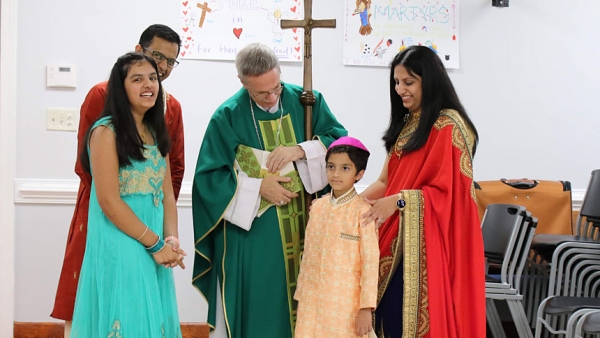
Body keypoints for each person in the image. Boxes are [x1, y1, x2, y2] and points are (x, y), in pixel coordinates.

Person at [191, 42, 347, 338]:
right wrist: (257, 187)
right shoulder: (228, 115)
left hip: (305, 225)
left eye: (276, 86)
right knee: (260, 310)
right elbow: (209, 179)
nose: (272, 96)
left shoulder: (306, 102)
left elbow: (339, 142)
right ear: (242, 83)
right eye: (261, 92)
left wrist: (301, 149)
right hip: (253, 236)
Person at [51, 24, 185, 335]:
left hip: (154, 234)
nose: (153, 79)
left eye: (155, 76)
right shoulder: (106, 127)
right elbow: (105, 192)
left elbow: (168, 188)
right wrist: (151, 240)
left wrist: (171, 238)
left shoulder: (158, 127)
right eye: (138, 78)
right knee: (124, 314)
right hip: (120, 230)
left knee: (153, 315)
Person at [360, 45, 485, 338]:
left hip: (428, 245)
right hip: (394, 236)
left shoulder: (450, 126)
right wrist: (346, 203)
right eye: (396, 82)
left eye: (409, 82)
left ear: (429, 80)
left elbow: (450, 195)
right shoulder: (408, 123)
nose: (400, 89)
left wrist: (401, 201)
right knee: (386, 320)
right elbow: (384, 182)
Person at [294, 136, 379, 338]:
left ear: (359, 174)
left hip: (345, 305)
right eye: (331, 167)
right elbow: (308, 256)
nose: (336, 174)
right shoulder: (318, 208)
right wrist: (302, 295)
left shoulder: (363, 212)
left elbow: (370, 262)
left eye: (345, 168)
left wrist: (366, 308)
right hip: (311, 302)